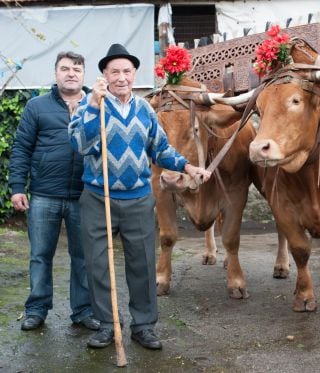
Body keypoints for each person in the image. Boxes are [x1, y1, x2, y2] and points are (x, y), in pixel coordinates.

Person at [68, 43, 211, 350]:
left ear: (134, 75)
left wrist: (188, 166)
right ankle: (107, 324)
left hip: (138, 199)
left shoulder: (146, 110)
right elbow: (80, 144)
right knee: (97, 263)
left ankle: (143, 325)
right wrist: (93, 105)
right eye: (114, 71)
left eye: (127, 71)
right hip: (98, 198)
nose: (121, 77)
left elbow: (160, 149)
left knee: (143, 264)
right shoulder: (90, 106)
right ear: (104, 75)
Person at [9, 51, 100, 332]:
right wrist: (16, 187)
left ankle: (83, 311)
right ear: (55, 73)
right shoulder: (36, 106)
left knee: (83, 257)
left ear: (83, 75)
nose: (70, 73)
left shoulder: (97, 106)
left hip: (83, 197)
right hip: (44, 195)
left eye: (76, 68)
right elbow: (22, 148)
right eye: (64, 68)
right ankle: (36, 309)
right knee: (40, 254)